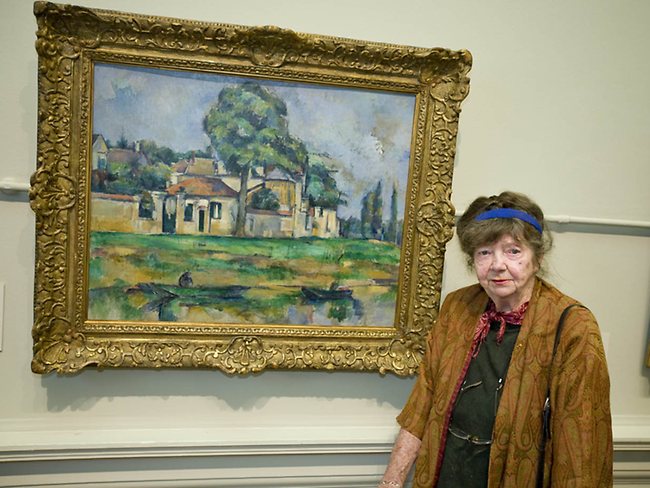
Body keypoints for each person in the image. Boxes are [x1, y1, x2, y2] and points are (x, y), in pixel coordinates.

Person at [379, 191, 612, 487]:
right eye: (484, 252)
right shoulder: (457, 308)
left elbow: (582, 448)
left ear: (537, 258)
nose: (497, 265)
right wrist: (392, 480)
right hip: (447, 474)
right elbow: (422, 403)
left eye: (513, 251)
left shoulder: (573, 327)